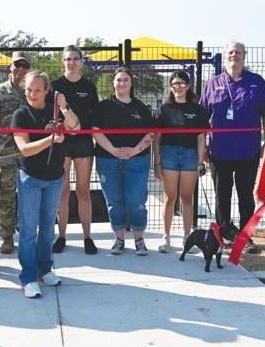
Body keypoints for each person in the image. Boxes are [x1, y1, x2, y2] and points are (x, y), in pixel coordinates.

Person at [12, 71, 79, 298]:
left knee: (48, 229)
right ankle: (29, 277)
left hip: (54, 178)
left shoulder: (55, 110)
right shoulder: (20, 115)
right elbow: (24, 149)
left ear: (46, 90)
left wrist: (64, 107)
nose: (33, 94)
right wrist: (50, 139)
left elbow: (76, 128)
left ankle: (44, 269)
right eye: (29, 90)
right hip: (30, 178)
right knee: (29, 230)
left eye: (37, 90)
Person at [200, 41, 265, 253]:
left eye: (238, 53)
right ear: (225, 56)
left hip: (247, 151)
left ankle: (245, 236)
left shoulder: (256, 82)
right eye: (231, 52)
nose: (234, 56)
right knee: (222, 194)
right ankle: (225, 233)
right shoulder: (213, 83)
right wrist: (203, 145)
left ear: (244, 56)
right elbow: (204, 117)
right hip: (220, 151)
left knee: (245, 195)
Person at [92, 66, 155, 255]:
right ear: (113, 83)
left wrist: (135, 150)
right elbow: (96, 131)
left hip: (137, 161)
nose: (122, 83)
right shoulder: (103, 107)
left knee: (136, 201)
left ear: (131, 83)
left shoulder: (141, 108)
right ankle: (119, 239)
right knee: (114, 201)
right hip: (108, 161)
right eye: (118, 80)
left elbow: (151, 133)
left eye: (126, 80)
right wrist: (113, 150)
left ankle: (139, 240)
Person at [153, 70, 209, 253]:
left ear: (188, 86)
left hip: (190, 155)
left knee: (186, 197)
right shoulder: (163, 109)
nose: (179, 87)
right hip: (168, 155)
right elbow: (157, 139)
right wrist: (157, 163)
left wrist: (201, 161)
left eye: (182, 83)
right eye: (175, 84)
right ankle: (166, 237)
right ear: (170, 87)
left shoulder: (198, 110)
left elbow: (201, 139)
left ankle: (187, 237)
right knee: (170, 198)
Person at [51, 46, 100, 254]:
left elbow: (95, 116)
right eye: (68, 59)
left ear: (81, 61)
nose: (71, 62)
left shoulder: (89, 87)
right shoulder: (55, 86)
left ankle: (87, 237)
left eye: (75, 59)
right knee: (62, 192)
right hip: (62, 143)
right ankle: (61, 237)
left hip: (83, 143)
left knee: (83, 192)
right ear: (63, 61)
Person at [0, 51, 31, 254]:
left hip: (29, 152)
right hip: (6, 151)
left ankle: (28, 233)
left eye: (25, 66)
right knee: (5, 194)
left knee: (29, 195)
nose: (21, 70)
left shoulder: (33, 91)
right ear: (10, 67)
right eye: (17, 65)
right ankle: (7, 236)